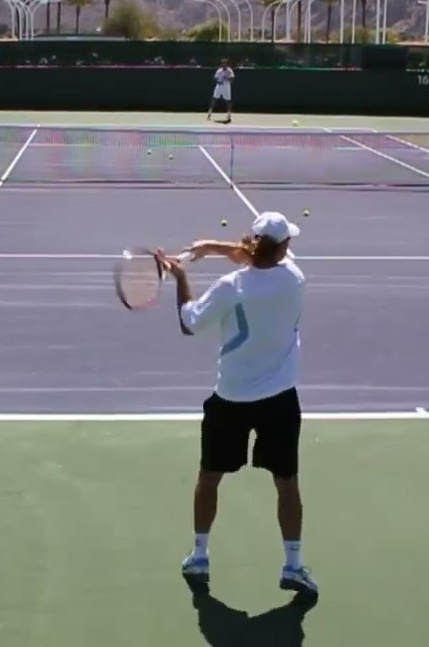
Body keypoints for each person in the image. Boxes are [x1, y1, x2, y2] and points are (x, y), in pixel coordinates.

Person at [154, 211, 317, 596]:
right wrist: (212, 247)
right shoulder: (294, 280)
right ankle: (293, 566)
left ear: (251, 241)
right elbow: (259, 260)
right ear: (284, 248)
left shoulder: (230, 287)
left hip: (231, 399)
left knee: (209, 477)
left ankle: (198, 556)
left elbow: (188, 323)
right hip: (279, 400)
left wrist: (181, 277)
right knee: (287, 484)